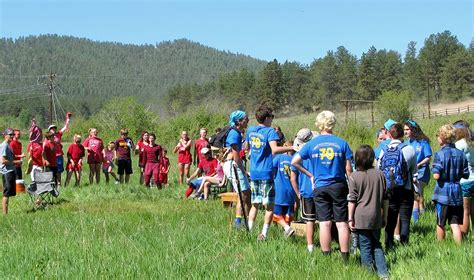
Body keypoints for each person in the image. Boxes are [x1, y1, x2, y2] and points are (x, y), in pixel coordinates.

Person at [292, 111, 353, 261]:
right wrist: (352, 184)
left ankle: (326, 257)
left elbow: (294, 162)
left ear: (319, 124)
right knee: (341, 223)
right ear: (333, 123)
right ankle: (345, 258)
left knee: (324, 223)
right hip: (338, 185)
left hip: (319, 187)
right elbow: (349, 168)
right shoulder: (342, 143)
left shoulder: (312, 144)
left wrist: (310, 175)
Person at [246, 105, 294, 241]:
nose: (272, 119)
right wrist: (292, 147)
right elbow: (274, 149)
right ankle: (264, 234)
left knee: (255, 204)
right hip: (266, 172)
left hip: (254, 172)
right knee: (269, 206)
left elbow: (247, 148)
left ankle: (249, 231)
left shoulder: (251, 130)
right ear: (266, 118)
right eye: (271, 117)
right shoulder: (270, 132)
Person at [348, 145, 389, 279]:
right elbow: (385, 198)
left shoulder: (354, 176)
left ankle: (368, 274)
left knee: (364, 246)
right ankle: (383, 273)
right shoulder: (380, 174)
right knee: (377, 244)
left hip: (360, 217)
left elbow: (352, 200)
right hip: (377, 215)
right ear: (372, 158)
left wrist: (350, 218)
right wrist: (385, 216)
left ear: (357, 159)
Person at [377, 122, 417, 250]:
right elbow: (414, 172)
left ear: (390, 134)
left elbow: (379, 169)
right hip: (406, 188)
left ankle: (388, 244)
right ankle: (404, 244)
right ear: (402, 135)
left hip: (389, 189)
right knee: (405, 218)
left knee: (390, 218)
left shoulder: (383, 150)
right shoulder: (409, 149)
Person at [432, 124, 469, 244]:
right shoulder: (461, 154)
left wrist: (437, 173)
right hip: (457, 191)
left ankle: (440, 245)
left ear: (442, 137)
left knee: (440, 222)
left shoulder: (439, 154)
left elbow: (436, 175)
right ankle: (459, 247)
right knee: (455, 222)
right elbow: (466, 175)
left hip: (443, 192)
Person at [291, 129, 318, 252]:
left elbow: (293, 178)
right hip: (320, 188)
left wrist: (298, 194)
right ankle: (326, 246)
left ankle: (310, 247)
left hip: (306, 191)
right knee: (324, 220)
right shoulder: (317, 152)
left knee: (309, 221)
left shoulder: (297, 156)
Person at [223, 110, 251, 229]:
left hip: (234, 164)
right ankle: (240, 223)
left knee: (245, 195)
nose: (248, 120)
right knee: (244, 194)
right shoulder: (234, 134)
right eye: (245, 119)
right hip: (233, 165)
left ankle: (244, 221)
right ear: (239, 121)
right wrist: (244, 171)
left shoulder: (238, 133)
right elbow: (236, 157)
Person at [404, 119, 432, 223]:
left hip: (422, 172)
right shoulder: (406, 143)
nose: (405, 131)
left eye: (407, 129)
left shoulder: (423, 142)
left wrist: (419, 164)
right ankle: (420, 215)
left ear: (413, 129)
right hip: (411, 173)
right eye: (404, 130)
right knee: (418, 195)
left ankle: (417, 218)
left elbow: (428, 157)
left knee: (417, 194)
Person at [453, 120, 474, 235]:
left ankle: (464, 235)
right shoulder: (472, 142)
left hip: (464, 181)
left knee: (465, 211)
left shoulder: (459, 144)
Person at [273, 140, 297, 238]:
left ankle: (287, 229)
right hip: (291, 192)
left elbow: (271, 169)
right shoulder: (296, 160)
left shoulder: (279, 158)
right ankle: (286, 236)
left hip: (279, 191)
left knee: (276, 214)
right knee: (288, 216)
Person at [1, 128, 21, 215]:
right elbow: (3, 161)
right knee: (6, 193)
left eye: (13, 134)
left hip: (11, 171)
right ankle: (5, 215)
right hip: (7, 172)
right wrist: (16, 162)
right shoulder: (4, 145)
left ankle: (6, 213)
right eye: (10, 135)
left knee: (8, 193)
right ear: (5, 136)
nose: (12, 136)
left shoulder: (8, 145)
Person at [48, 114, 70, 186]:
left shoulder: (58, 134)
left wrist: (68, 119)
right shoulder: (47, 137)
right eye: (52, 128)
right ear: (49, 130)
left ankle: (59, 183)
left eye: (54, 128)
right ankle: (52, 183)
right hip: (51, 156)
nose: (53, 129)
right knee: (52, 170)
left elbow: (65, 127)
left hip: (59, 155)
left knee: (59, 170)